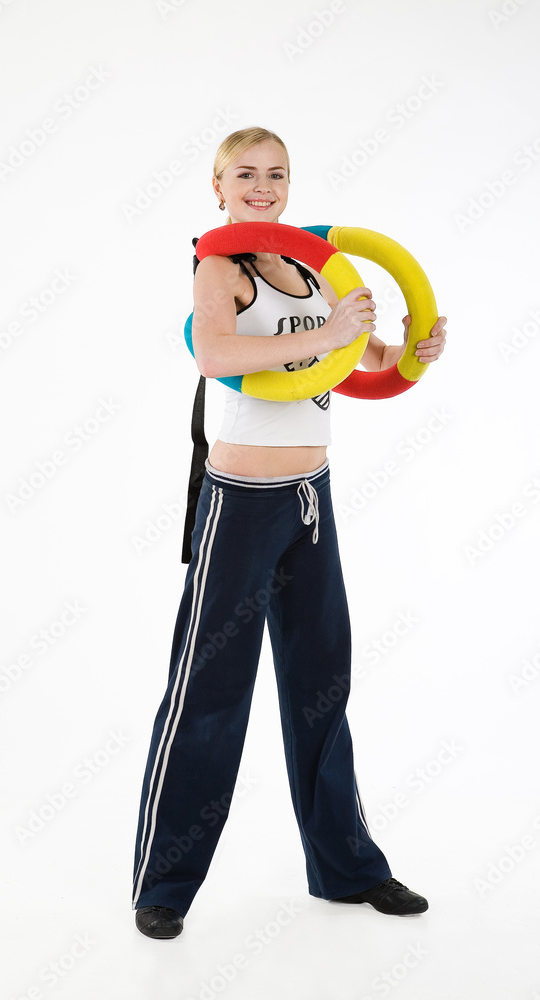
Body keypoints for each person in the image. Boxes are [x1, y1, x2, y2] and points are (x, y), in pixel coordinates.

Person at [132, 126, 447, 939]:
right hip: (238, 503)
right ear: (219, 187)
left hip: (310, 496)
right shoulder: (220, 265)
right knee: (207, 694)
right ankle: (163, 886)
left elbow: (356, 353)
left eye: (275, 174)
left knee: (320, 688)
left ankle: (346, 869)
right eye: (246, 174)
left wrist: (409, 349)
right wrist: (330, 336)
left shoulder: (311, 264)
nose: (263, 186)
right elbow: (214, 352)